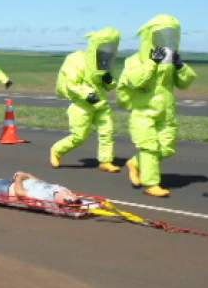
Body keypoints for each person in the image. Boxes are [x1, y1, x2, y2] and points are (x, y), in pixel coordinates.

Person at [116, 14, 197, 197]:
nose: (166, 40)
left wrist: (180, 66)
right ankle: (151, 184)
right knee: (149, 148)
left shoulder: (169, 63)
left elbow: (184, 83)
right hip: (143, 112)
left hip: (166, 112)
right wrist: (152, 61)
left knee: (167, 148)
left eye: (170, 36)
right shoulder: (134, 61)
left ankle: (135, 163)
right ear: (150, 37)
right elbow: (136, 81)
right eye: (161, 36)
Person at [50, 27, 122, 173]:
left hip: (101, 103)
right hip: (82, 105)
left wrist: (109, 81)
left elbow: (109, 85)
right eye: (105, 46)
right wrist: (88, 94)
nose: (108, 50)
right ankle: (57, 150)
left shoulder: (104, 62)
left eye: (111, 47)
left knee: (107, 132)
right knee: (79, 136)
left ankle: (106, 161)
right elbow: (72, 84)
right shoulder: (78, 61)